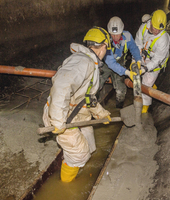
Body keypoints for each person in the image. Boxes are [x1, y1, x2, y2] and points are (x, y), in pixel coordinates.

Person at [42, 27, 119, 182]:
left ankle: (79, 165)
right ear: (103, 46)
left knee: (89, 140)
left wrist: (101, 113)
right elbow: (61, 85)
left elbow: (88, 96)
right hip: (63, 117)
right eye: (107, 48)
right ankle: (65, 186)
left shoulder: (89, 62)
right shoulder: (83, 61)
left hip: (75, 113)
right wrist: (57, 120)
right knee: (79, 154)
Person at [99, 16, 141, 108]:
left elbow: (134, 49)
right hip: (106, 64)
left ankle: (119, 108)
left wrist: (138, 61)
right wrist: (127, 72)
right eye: (112, 34)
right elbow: (111, 63)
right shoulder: (106, 41)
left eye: (117, 34)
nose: (115, 37)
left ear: (122, 31)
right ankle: (95, 106)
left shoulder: (127, 36)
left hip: (119, 63)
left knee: (121, 89)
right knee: (97, 84)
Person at [135, 9, 170, 113]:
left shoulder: (163, 39)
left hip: (155, 64)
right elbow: (137, 44)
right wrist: (136, 60)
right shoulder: (143, 28)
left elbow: (158, 59)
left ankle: (145, 107)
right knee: (137, 75)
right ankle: (152, 85)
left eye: (159, 30)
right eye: (155, 28)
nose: (156, 31)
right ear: (151, 22)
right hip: (143, 56)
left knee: (145, 84)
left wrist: (146, 68)